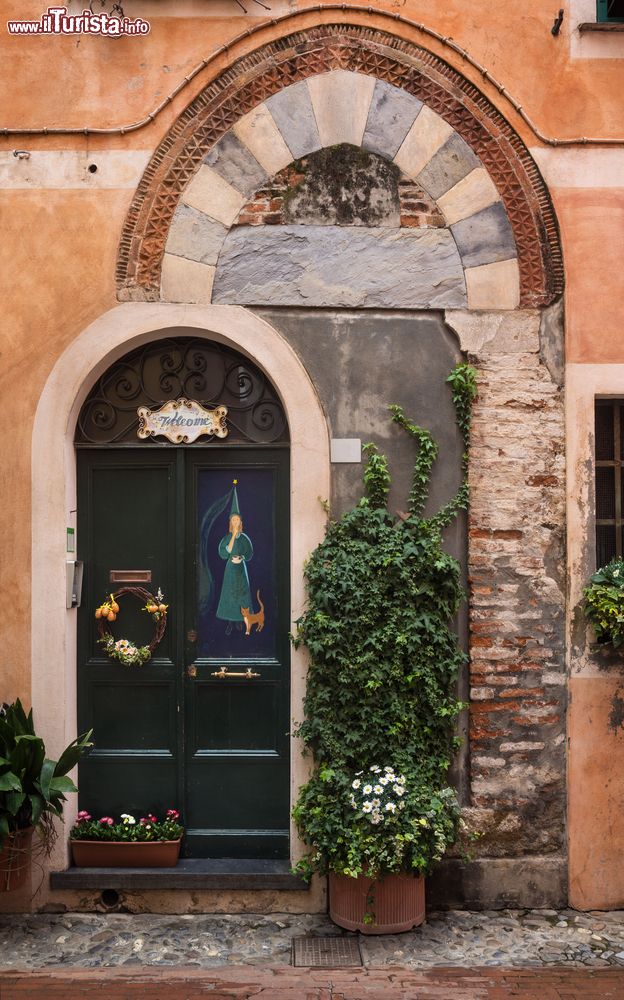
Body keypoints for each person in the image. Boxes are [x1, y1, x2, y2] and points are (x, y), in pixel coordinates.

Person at [216, 509, 254, 634]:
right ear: (230, 523)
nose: (235, 521)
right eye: (233, 519)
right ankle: (230, 623)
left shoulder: (244, 538)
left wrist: (242, 558)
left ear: (240, 522)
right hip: (230, 571)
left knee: (241, 595)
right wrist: (233, 535)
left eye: (237, 519)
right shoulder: (227, 537)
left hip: (241, 570)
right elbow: (224, 553)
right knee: (230, 594)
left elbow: (249, 553)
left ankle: (239, 621)